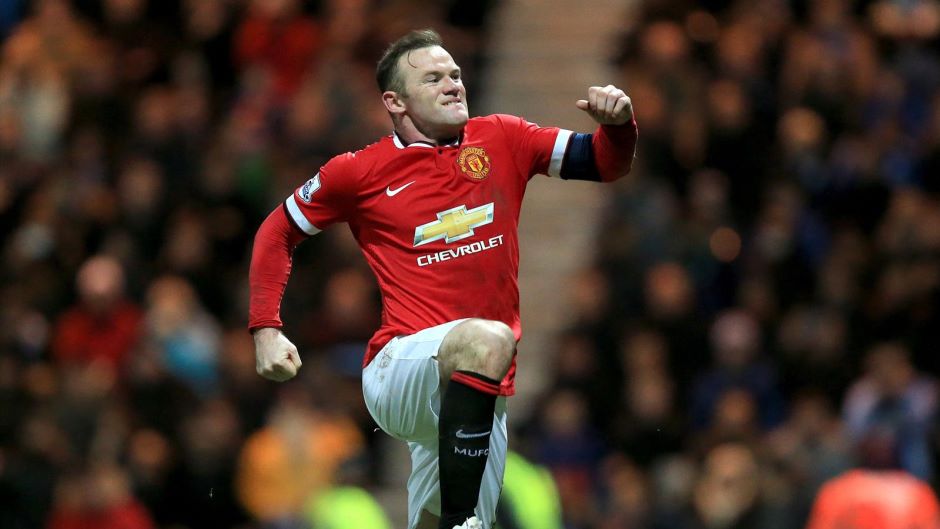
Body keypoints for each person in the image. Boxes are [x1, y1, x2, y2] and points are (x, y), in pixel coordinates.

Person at [248, 29, 637, 529]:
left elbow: (604, 162)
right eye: (433, 79)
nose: (453, 84)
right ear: (395, 101)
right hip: (400, 368)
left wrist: (619, 127)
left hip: (476, 389)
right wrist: (266, 328)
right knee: (488, 341)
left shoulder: (503, 137)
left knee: (433, 515)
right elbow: (276, 230)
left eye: (455, 74)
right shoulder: (358, 172)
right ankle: (463, 521)